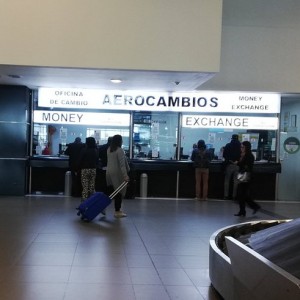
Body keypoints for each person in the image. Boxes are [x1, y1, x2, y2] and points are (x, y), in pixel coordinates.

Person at [234, 141, 261, 216]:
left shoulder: (249, 156)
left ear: (247, 147)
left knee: (242, 194)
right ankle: (244, 210)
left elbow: (247, 166)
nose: (241, 148)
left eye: (243, 147)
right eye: (241, 147)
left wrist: (238, 163)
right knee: (242, 195)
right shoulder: (243, 155)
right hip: (243, 176)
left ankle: (250, 208)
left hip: (247, 177)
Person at [106, 134, 130, 218]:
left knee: (111, 192)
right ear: (119, 141)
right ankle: (117, 211)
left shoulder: (109, 149)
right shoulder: (119, 150)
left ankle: (102, 206)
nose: (122, 141)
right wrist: (125, 175)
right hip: (117, 173)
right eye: (121, 140)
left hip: (109, 172)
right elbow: (122, 165)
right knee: (119, 192)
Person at [78, 137, 99, 201]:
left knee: (85, 187)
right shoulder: (96, 150)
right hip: (93, 169)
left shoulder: (84, 150)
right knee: (92, 186)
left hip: (85, 169)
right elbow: (97, 160)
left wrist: (78, 168)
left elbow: (80, 160)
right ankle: (92, 201)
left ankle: (84, 202)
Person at [223, 134, 241, 200]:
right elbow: (242, 155)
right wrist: (237, 161)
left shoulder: (228, 145)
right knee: (236, 181)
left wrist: (230, 160)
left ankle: (226, 196)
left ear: (232, 138)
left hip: (229, 164)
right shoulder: (241, 146)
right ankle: (234, 196)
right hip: (237, 165)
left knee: (227, 180)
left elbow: (224, 155)